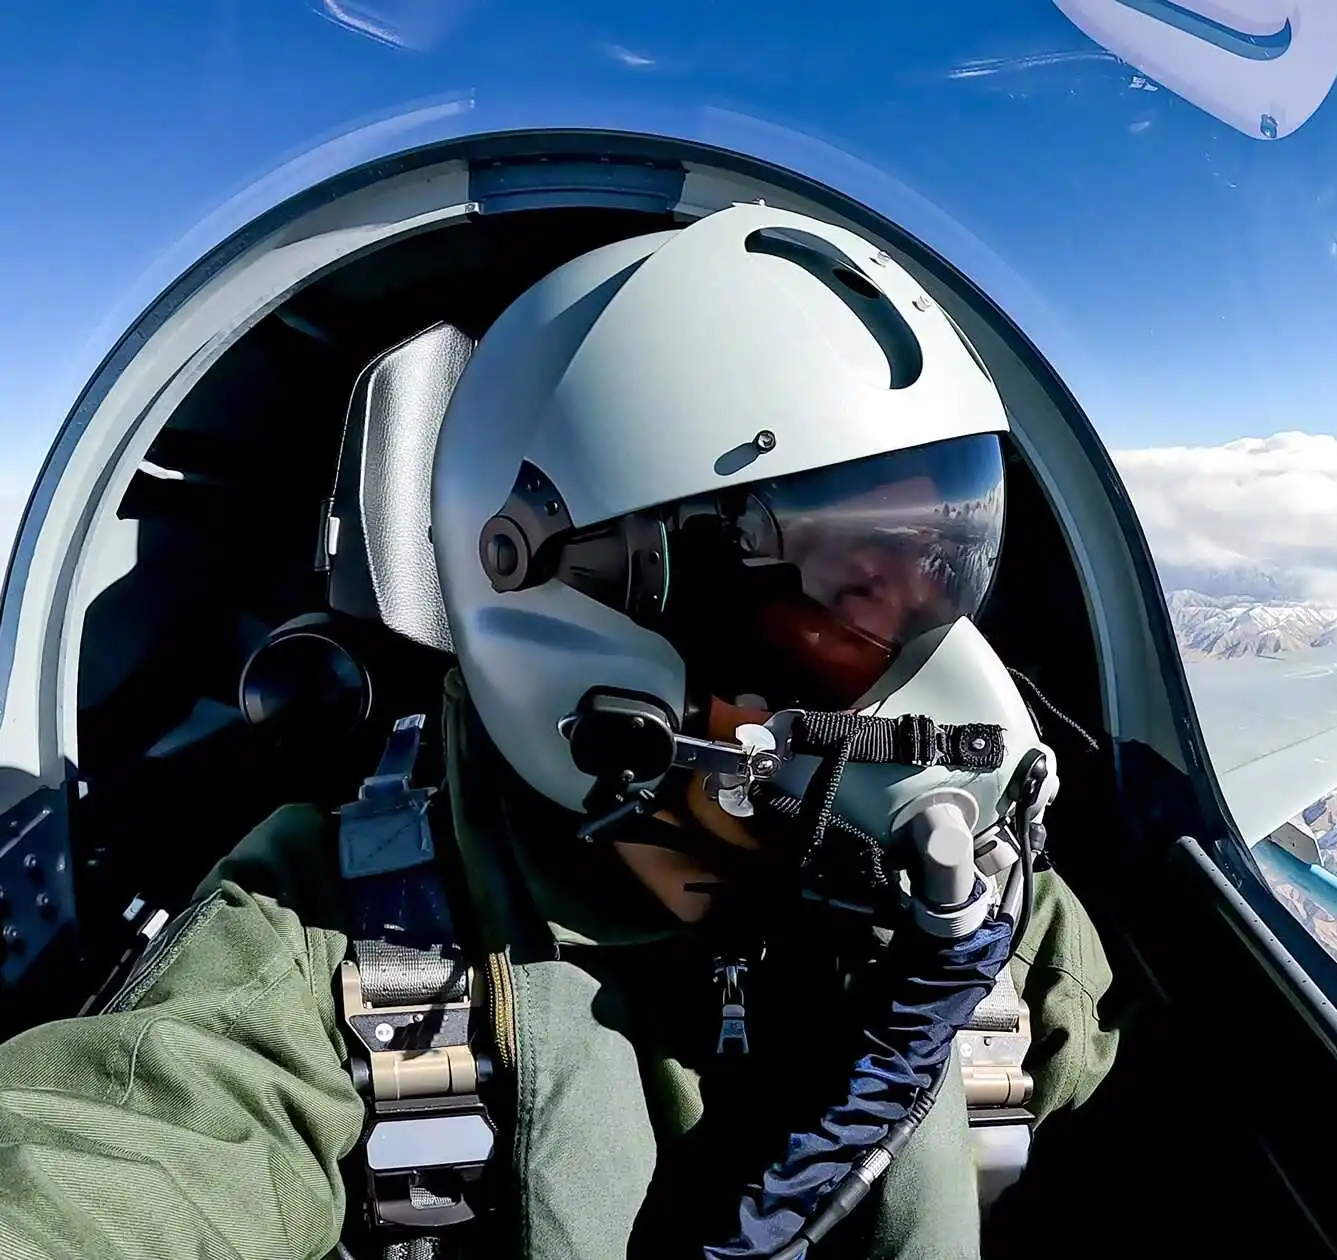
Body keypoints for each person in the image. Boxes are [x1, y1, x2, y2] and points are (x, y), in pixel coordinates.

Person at [0, 204, 1122, 1260]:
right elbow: (104, 1164)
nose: (936, 685)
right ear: (583, 629)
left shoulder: (997, 928)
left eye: (937, 577)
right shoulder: (320, 941)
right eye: (839, 594)